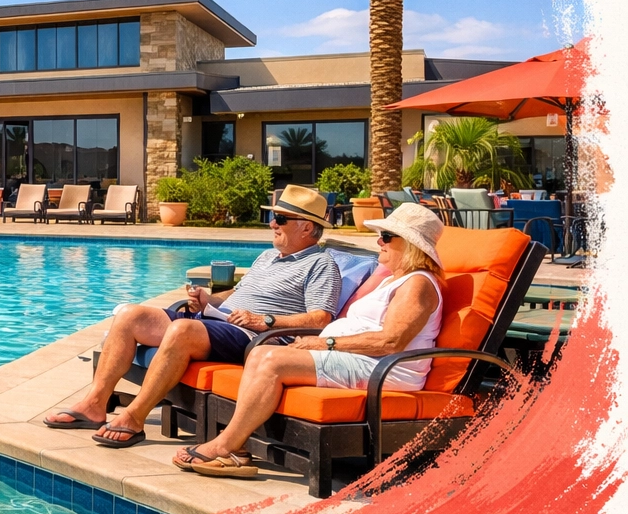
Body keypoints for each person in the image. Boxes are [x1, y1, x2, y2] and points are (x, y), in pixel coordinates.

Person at [43, 184, 341, 446]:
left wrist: (265, 321)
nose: (272, 224)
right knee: (130, 315)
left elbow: (320, 319)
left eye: (280, 219)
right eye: (272, 217)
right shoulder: (268, 257)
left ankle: (134, 418)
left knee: (182, 330)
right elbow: (237, 295)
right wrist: (208, 299)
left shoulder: (321, 265)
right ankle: (95, 404)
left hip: (255, 336)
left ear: (305, 227)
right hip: (221, 322)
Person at [176, 202, 446, 478]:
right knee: (261, 353)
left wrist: (325, 343)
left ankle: (225, 447)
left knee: (271, 360)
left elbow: (391, 342)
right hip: (361, 359)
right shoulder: (394, 280)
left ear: (413, 246)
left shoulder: (418, 284)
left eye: (387, 237)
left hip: (385, 369)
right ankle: (238, 449)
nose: (379, 241)